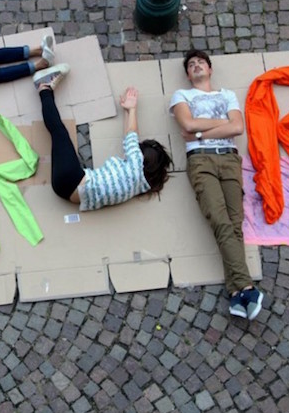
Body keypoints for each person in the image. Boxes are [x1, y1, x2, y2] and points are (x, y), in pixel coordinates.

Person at [169, 50, 261, 318]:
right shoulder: (181, 96)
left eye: (200, 63)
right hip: (201, 161)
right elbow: (186, 123)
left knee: (235, 224)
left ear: (210, 69)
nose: (196, 66)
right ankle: (247, 286)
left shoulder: (227, 94)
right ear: (188, 74)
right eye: (191, 65)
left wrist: (198, 131)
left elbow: (237, 128)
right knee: (220, 221)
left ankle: (234, 294)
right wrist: (221, 123)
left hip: (229, 160)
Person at [32, 65, 174, 210]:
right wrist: (126, 112)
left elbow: (131, 134)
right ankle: (47, 91)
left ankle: (44, 88)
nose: (137, 148)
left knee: (59, 132)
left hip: (72, 179)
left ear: (143, 158)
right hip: (66, 191)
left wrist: (132, 109)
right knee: (59, 139)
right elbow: (128, 139)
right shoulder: (141, 186)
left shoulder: (136, 163)